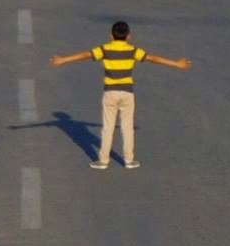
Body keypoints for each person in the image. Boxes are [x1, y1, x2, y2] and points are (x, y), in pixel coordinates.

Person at [50, 21, 191, 170]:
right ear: (129, 36)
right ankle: (129, 160)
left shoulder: (105, 49)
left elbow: (86, 55)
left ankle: (103, 161)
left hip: (110, 93)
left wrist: (63, 60)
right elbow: (152, 58)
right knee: (127, 127)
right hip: (127, 93)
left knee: (108, 127)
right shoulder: (132, 51)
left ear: (111, 35)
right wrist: (176, 64)